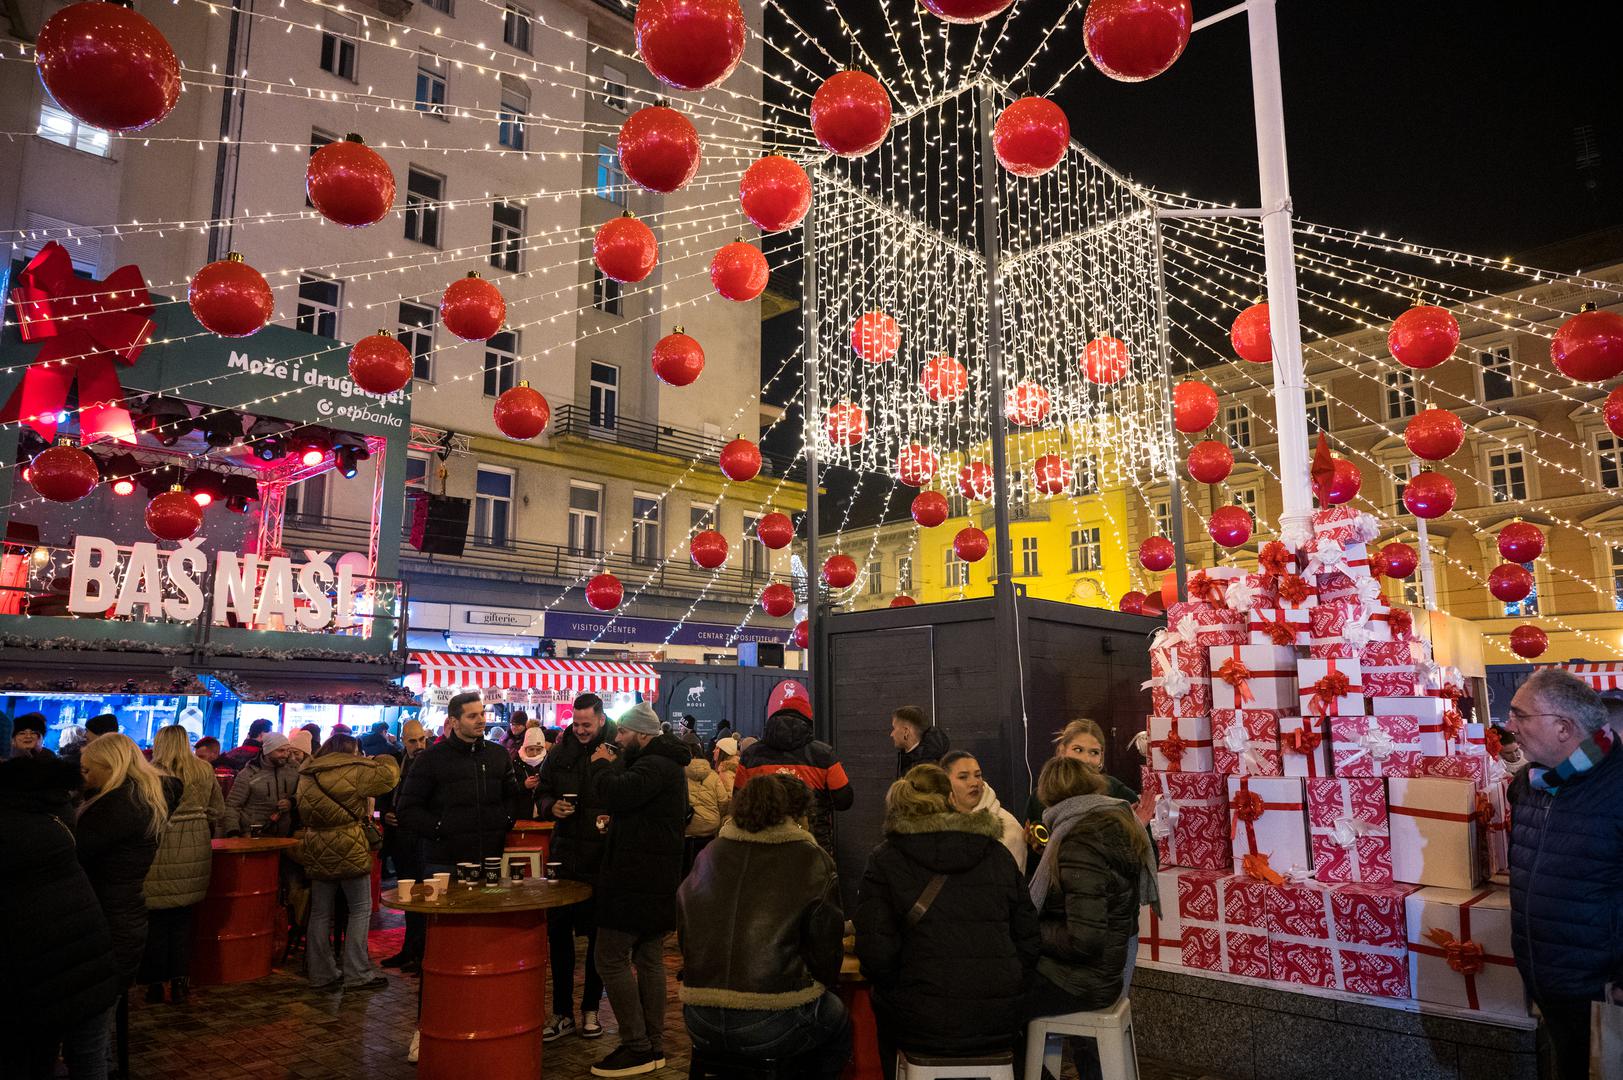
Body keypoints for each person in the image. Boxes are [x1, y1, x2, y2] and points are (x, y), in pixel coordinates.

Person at [855, 764, 1039, 1076]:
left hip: (918, 1021)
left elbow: (875, 954)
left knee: (882, 1013)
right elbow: (1029, 938)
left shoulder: (886, 859)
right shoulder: (996, 852)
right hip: (998, 1017)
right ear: (951, 800)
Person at [678, 775, 851, 1078]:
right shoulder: (812, 860)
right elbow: (826, 957)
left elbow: (685, 934)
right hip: (774, 1018)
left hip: (698, 1017)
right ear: (795, 813)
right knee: (839, 1023)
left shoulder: (709, 854)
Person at [1504, 669, 1623, 1080]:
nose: (1509, 726)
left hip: (1603, 988)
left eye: (1519, 715)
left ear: (1563, 728)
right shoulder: (1529, 783)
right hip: (1546, 976)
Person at [1020, 756, 1156, 1080]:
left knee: (992, 1004)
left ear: (1048, 795)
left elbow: (1085, 939)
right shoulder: (1110, 822)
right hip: (1098, 974)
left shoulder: (1080, 840)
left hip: (1081, 980)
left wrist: (1030, 931)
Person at [585, 702, 692, 1077]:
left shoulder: (653, 765)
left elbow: (617, 793)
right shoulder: (665, 764)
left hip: (636, 880)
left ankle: (637, 1045)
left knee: (609, 957)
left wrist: (601, 763)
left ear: (642, 735)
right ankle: (654, 1044)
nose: (617, 739)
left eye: (624, 733)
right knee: (647, 958)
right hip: (654, 878)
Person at [0, 754, 120, 1080]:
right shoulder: (59, 818)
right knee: (88, 1058)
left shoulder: (14, 826)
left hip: (41, 971)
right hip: (90, 958)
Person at [75, 734, 168, 1074]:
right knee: (97, 1032)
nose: (82, 776)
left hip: (108, 921)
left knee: (89, 1041)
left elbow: (76, 853)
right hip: (124, 917)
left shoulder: (117, 806)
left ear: (109, 768)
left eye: (88, 770)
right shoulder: (140, 797)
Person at [536, 694, 614, 1043]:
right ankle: (563, 1012)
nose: (581, 730)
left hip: (601, 857)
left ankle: (591, 1010)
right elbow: (542, 791)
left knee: (599, 938)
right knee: (559, 936)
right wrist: (551, 806)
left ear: (600, 719)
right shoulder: (559, 751)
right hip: (564, 855)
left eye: (587, 724)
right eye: (576, 723)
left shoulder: (615, 749)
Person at [295, 732, 400, 991]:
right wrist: (384, 756)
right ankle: (357, 972)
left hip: (317, 843)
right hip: (349, 842)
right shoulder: (355, 771)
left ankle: (321, 973)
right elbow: (389, 778)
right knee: (360, 909)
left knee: (320, 912)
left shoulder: (307, 773)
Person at [140, 725, 225, 1006]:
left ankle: (153, 984)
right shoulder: (203, 769)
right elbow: (218, 809)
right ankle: (179, 983)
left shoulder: (149, 772)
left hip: (160, 844)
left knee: (154, 921)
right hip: (195, 844)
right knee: (182, 920)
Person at [397, 693, 519, 875]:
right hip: (444, 861)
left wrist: (505, 822)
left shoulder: (498, 755)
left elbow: (512, 797)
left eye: (482, 714)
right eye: (472, 716)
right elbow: (408, 809)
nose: (480, 720)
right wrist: (440, 828)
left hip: (490, 858)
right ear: (454, 722)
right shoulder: (431, 758)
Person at [734, 696, 853, 855]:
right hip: (812, 845)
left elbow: (738, 800)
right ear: (808, 721)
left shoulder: (751, 755)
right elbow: (844, 800)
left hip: (761, 846)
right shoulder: (824, 755)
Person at [1025, 720, 1139, 846]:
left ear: (1101, 757)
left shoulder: (1119, 794)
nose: (1086, 759)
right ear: (1062, 751)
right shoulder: (1040, 797)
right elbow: (1030, 857)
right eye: (1078, 750)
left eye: (1094, 752)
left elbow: (1146, 854)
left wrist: (1134, 832)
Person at [380, 718, 430, 972]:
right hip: (401, 840)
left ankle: (421, 953)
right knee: (408, 898)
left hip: (423, 840)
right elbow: (386, 796)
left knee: (423, 898)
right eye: (413, 740)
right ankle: (409, 949)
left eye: (422, 739)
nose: (419, 744)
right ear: (403, 741)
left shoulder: (432, 763)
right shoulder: (395, 762)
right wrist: (387, 812)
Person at [942, 750, 1026, 873]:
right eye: (963, 777)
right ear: (945, 783)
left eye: (978, 775)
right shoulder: (936, 822)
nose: (974, 783)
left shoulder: (1007, 827)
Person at [223, 731, 300, 836]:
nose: (285, 755)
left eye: (288, 751)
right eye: (280, 751)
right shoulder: (248, 774)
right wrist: (233, 832)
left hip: (284, 836)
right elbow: (232, 805)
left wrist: (292, 802)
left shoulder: (293, 770)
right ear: (268, 751)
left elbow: (303, 793)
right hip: (254, 835)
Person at [683, 748, 730, 875]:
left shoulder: (680, 774)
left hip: (686, 826)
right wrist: (719, 816)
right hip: (710, 826)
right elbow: (723, 800)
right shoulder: (714, 776)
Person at [890, 705, 950, 778]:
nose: (891, 734)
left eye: (894, 728)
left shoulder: (925, 771)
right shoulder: (926, 762)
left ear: (906, 731)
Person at [513, 727, 548, 818]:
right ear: (525, 748)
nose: (535, 753)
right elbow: (508, 789)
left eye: (538, 749)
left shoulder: (548, 762)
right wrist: (524, 785)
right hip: (521, 813)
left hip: (543, 813)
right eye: (531, 749)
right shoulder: (515, 763)